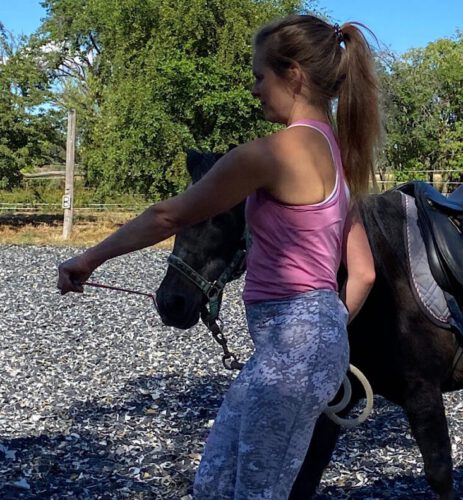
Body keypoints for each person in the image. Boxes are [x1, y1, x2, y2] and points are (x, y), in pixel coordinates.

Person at [58, 14, 380, 499]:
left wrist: (89, 259)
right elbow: (364, 273)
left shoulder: (269, 154)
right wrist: (327, 327)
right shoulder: (339, 158)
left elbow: (168, 216)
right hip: (299, 344)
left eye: (259, 76)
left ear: (293, 75)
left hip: (293, 349)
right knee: (214, 483)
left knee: (254, 491)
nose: (254, 90)